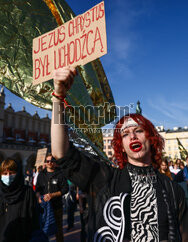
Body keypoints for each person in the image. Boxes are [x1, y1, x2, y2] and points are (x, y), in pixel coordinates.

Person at [51, 67, 188, 242]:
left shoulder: (173, 190)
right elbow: (61, 153)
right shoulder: (104, 179)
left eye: (138, 130)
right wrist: (58, 97)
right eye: (125, 133)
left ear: (151, 138)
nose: (132, 135)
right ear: (121, 146)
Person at [0, 158, 40, 241]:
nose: (8, 176)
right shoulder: (1, 193)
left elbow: (34, 219)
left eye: (11, 173)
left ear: (18, 174)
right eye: (5, 173)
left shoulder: (27, 192)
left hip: (22, 237)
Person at [36, 153, 69, 242]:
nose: (50, 162)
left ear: (55, 162)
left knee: (58, 230)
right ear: (45, 163)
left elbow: (65, 189)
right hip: (44, 207)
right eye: (48, 161)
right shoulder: (41, 175)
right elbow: (37, 189)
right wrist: (39, 197)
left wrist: (52, 195)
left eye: (52, 161)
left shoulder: (60, 174)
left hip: (57, 206)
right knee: (44, 229)